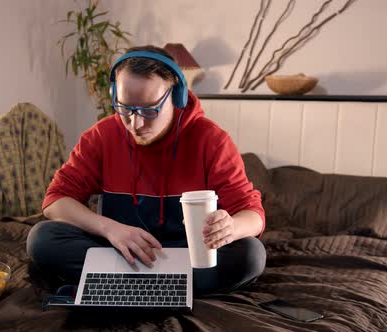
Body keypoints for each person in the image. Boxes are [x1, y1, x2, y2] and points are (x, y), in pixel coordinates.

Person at [26, 45, 266, 295]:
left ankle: (120, 282)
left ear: (177, 96)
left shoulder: (212, 140)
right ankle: (169, 286)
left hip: (187, 253)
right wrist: (111, 229)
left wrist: (230, 228)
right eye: (124, 109)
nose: (135, 123)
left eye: (149, 110)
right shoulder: (100, 136)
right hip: (120, 249)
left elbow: (253, 215)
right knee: (42, 238)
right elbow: (55, 201)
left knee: (251, 254)